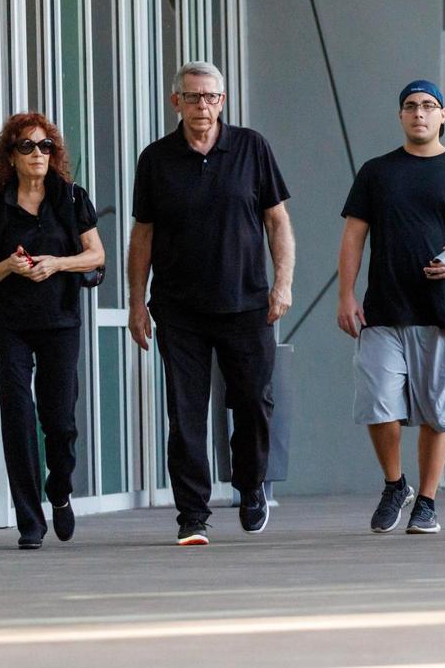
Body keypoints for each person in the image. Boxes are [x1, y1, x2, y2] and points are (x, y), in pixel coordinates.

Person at [128, 61, 295, 546]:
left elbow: (277, 222)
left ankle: (250, 487)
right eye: (194, 97)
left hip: (246, 304)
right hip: (179, 309)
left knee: (252, 402)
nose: (204, 106)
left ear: (223, 102)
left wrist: (281, 284)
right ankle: (193, 514)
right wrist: (137, 303)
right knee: (185, 413)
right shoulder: (155, 159)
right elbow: (143, 235)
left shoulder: (251, 147)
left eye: (212, 97)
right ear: (175, 101)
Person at [337, 80, 445, 535]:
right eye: (410, 106)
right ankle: (394, 484)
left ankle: (426, 500)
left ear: (443, 116)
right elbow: (354, 235)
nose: (418, 113)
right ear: (400, 116)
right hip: (384, 310)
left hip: (443, 312)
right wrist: (346, 294)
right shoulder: (377, 172)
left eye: (428, 106)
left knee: (438, 413)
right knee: (379, 405)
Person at [0, 112, 105, 549]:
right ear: (11, 157)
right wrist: (9, 266)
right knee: (16, 416)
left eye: (45, 146)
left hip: (60, 321)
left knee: (60, 421)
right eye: (27, 147)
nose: (37, 154)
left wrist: (57, 262)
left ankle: (60, 491)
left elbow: (96, 256)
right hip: (12, 324)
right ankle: (29, 521)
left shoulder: (71, 199)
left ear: (54, 153)